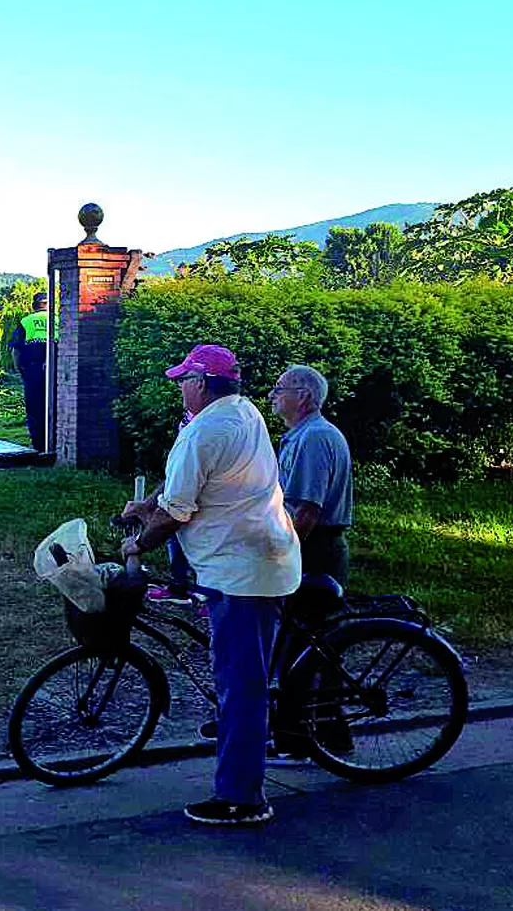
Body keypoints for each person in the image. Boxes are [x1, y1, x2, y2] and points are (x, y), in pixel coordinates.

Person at [121, 345, 300, 826]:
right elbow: (186, 486)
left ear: (200, 383)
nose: (179, 386)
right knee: (240, 675)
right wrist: (149, 504)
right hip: (256, 556)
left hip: (242, 571)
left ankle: (242, 797)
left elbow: (178, 512)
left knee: (241, 687)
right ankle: (244, 750)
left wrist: (139, 542)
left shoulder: (205, 431)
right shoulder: (243, 412)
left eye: (184, 379)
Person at [267, 363, 355, 760]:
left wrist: (280, 555)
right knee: (304, 645)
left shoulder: (315, 439)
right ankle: (308, 737)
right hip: (312, 546)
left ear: (303, 396)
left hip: (315, 550)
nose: (273, 394)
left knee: (308, 647)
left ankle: (312, 738)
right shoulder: (302, 435)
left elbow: (307, 511)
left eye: (280, 388)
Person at [9, 291, 52, 452]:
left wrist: (19, 369)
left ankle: (38, 445)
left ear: (34, 305)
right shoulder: (57, 319)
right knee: (54, 405)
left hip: (32, 371)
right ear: (49, 304)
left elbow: (16, 350)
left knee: (34, 408)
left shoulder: (26, 321)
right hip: (54, 370)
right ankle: (54, 443)